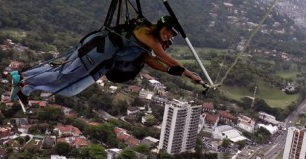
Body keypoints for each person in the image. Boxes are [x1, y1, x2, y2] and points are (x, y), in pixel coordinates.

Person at [11, 16, 203, 105]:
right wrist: (189, 75)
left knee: (68, 84)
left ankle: (24, 81)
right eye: (168, 30)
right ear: (162, 25)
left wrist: (170, 71)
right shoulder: (148, 35)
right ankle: (23, 82)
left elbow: (151, 60)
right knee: (64, 75)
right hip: (96, 53)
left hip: (99, 56)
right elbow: (163, 56)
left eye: (171, 35)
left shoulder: (146, 38)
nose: (167, 35)